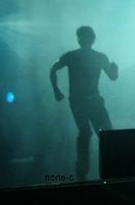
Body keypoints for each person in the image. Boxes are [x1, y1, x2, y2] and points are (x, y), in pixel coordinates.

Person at [49, 26, 118, 180]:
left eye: (87, 37)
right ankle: (97, 168)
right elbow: (113, 76)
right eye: (83, 37)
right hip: (82, 101)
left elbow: (113, 76)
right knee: (98, 133)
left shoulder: (84, 56)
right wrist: (56, 90)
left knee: (96, 133)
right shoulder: (84, 56)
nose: (85, 40)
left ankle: (94, 169)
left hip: (87, 101)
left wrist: (56, 90)